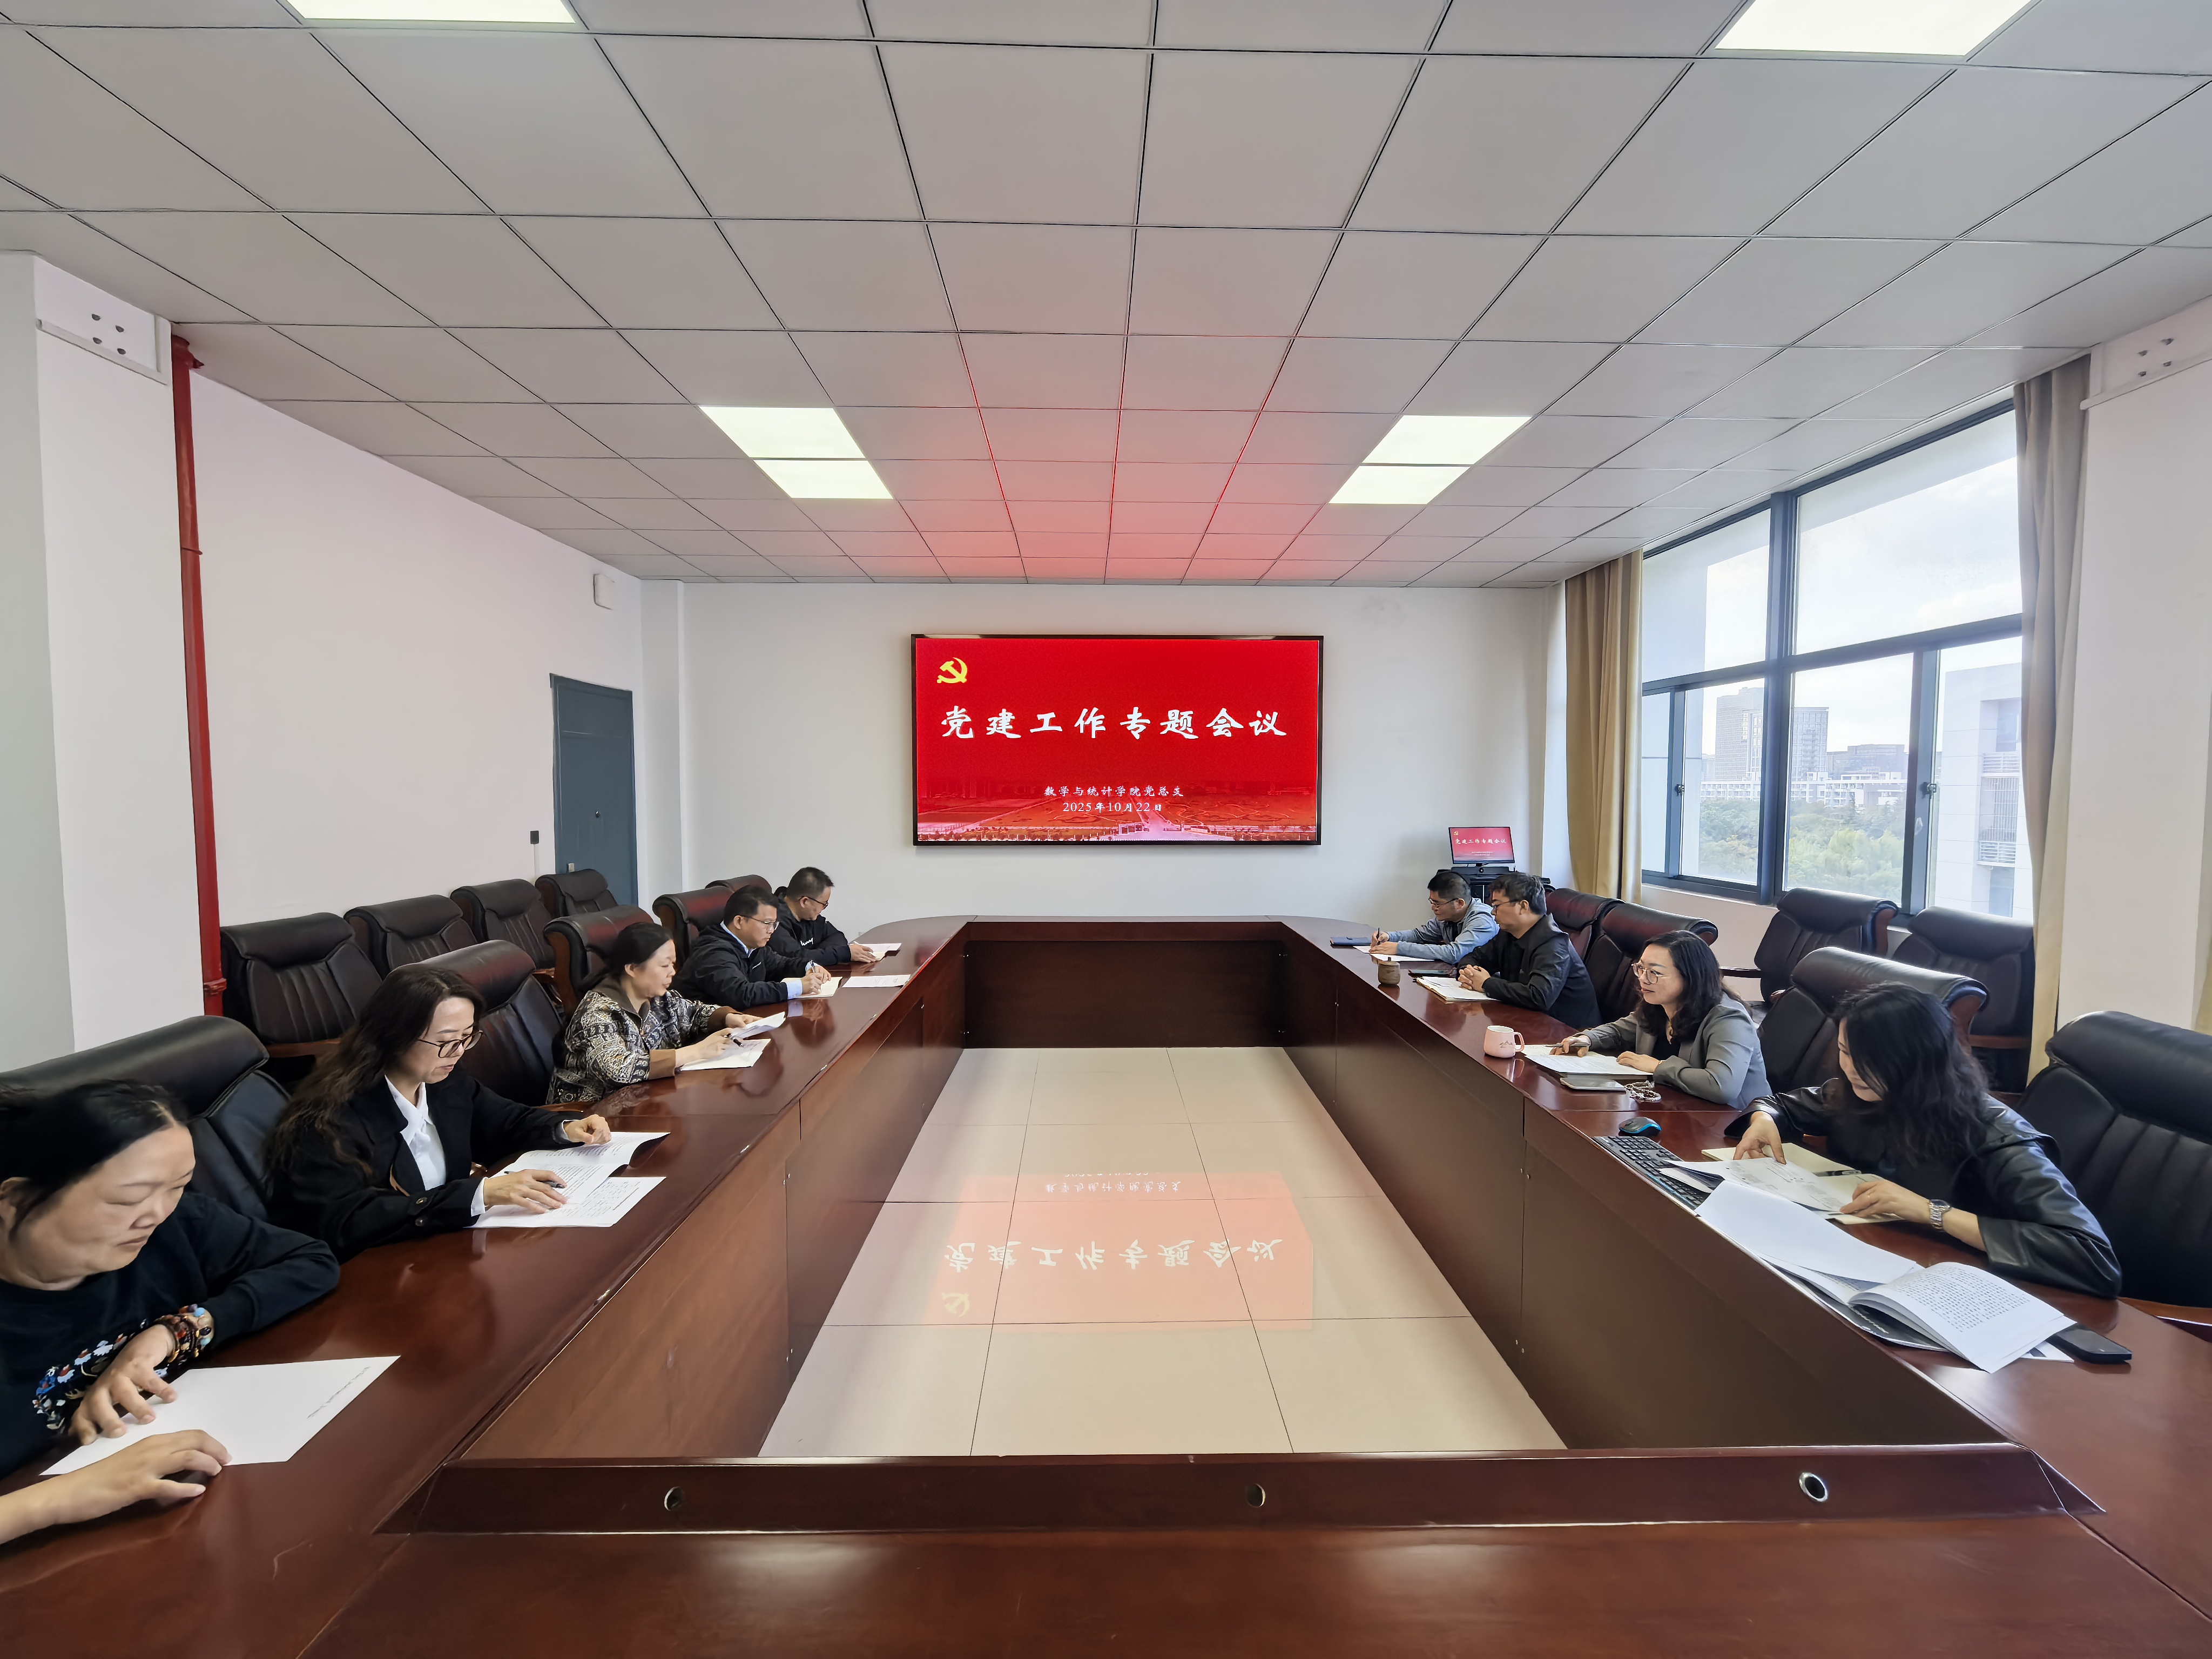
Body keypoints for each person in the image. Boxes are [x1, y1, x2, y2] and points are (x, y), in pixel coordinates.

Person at [0, 1080, 338, 1536]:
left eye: (178, 1186)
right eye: (126, 1199)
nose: (156, 1214)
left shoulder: (174, 1226)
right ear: (16, 1200)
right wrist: (63, 1496)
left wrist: (177, 1332)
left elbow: (310, 1262)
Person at [1731, 983, 2120, 1298]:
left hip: (1958, 1285)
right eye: (1846, 1052)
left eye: (1875, 1061)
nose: (1853, 1070)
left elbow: (2091, 1257)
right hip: (1865, 1254)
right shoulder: (1859, 1092)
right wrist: (1764, 1118)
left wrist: (1933, 1213)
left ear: (1923, 1060)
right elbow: (1782, 1104)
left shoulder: (1996, 1134)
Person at [267, 963, 617, 1257]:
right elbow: (348, 1221)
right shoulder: (327, 1121)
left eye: (467, 1037)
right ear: (394, 1035)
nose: (459, 1052)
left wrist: (565, 1128)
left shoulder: (443, 1081)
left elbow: (505, 1123)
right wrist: (478, 1195)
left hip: (445, 1249)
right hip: (376, 1274)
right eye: (446, 1041)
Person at [549, 921, 763, 1105]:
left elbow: (693, 1012)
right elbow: (619, 1070)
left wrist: (728, 1017)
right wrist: (697, 1051)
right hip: (590, 1115)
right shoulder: (598, 1013)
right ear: (633, 969)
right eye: (664, 965)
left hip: (644, 1101)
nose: (673, 972)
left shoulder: (657, 998)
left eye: (673, 964)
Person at [1560, 930, 1769, 1109]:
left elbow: (1722, 1087)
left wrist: (1658, 1067)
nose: (1643, 979)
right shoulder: (1659, 1005)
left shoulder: (1729, 1019)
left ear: (1690, 977)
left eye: (1655, 972)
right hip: (1677, 1111)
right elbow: (1618, 1032)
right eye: (1641, 968)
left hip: (1733, 1124)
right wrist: (1587, 1039)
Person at [1455, 872, 1600, 1027]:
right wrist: (1469, 974)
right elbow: (1474, 958)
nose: (1493, 912)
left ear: (1523, 906)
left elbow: (1539, 997)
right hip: (1526, 1020)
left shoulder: (1554, 943)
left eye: (1497, 905)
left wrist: (1486, 983)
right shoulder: (1508, 934)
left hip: (1569, 1033)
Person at [676, 886, 834, 1010]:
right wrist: (799, 987)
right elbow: (741, 994)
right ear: (739, 922)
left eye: (774, 924)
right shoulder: (713, 952)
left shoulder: (753, 945)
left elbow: (781, 964)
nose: (771, 930)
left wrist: (809, 966)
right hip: (701, 1035)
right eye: (767, 923)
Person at [1370, 870, 1497, 965]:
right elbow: (1419, 935)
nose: (1433, 908)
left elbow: (1453, 953)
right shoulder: (1446, 917)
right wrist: (1390, 937)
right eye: (1432, 902)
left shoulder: (1482, 919)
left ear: (1459, 903)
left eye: (1437, 904)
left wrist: (1399, 948)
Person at [769, 867, 881, 968]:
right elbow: (796, 959)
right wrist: (840, 954)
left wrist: (818, 956)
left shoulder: (810, 917)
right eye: (824, 903)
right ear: (805, 902)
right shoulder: (773, 922)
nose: (824, 908)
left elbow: (837, 937)